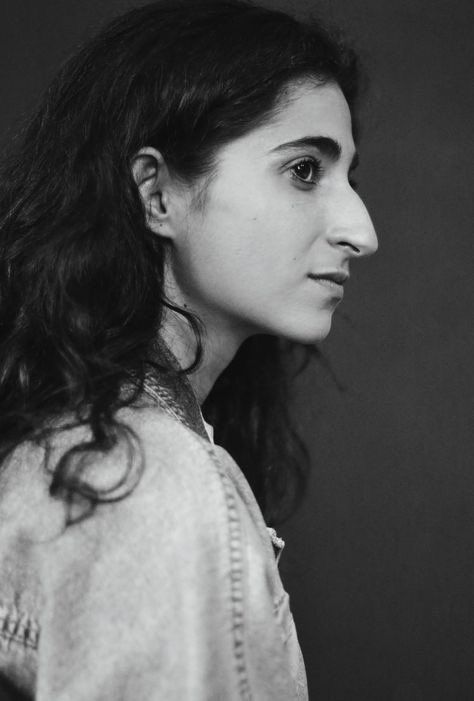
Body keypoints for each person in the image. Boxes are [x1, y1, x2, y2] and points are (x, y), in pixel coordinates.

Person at [0, 0, 378, 698]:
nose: (361, 229)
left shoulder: (89, 448)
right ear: (158, 193)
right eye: (303, 171)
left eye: (349, 177)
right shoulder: (139, 483)